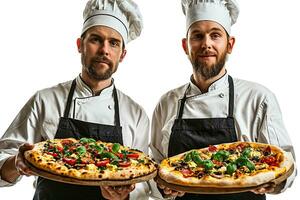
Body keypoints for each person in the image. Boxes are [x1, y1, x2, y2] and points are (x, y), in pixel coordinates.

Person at [0, 0, 150, 199]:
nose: (104, 50)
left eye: (113, 43)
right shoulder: (45, 100)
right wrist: (16, 164)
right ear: (80, 45)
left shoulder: (136, 114)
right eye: (95, 39)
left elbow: (143, 183)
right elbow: (2, 163)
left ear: (122, 54)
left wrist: (123, 195)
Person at [150, 0, 296, 199]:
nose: (206, 44)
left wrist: (273, 182)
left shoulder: (258, 98)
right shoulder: (166, 103)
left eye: (215, 35)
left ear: (230, 44)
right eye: (197, 36)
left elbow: (287, 163)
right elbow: (156, 168)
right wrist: (163, 187)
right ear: (185, 45)